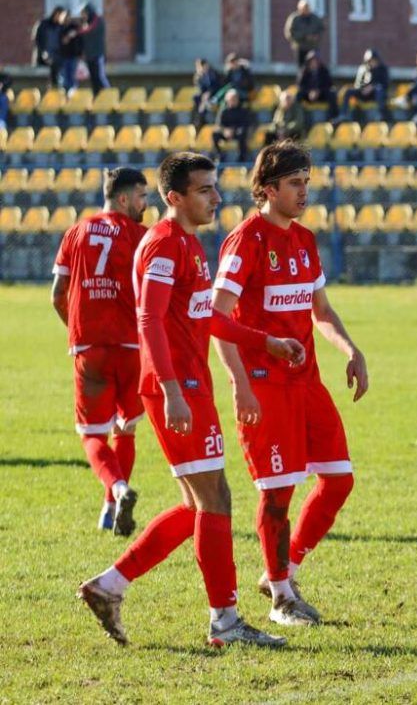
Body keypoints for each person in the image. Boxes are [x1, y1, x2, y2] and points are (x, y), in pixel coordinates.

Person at [77, 152, 303, 648]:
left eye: (215, 187)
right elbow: (149, 321)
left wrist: (264, 341)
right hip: (178, 389)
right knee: (215, 499)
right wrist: (174, 391)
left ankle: (109, 586)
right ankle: (224, 621)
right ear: (173, 197)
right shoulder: (162, 246)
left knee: (194, 504)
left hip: (188, 386)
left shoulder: (190, 245)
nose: (216, 197)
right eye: (205, 190)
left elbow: (206, 317)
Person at [212, 140, 369, 625]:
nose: (305, 192)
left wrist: (350, 349)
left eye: (307, 182)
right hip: (266, 386)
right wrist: (240, 383)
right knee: (277, 492)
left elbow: (319, 310)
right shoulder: (246, 240)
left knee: (338, 479)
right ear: (267, 188)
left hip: (307, 384)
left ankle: (284, 569)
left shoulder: (304, 240)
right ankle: (281, 595)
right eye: (296, 184)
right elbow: (216, 319)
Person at [51, 168, 149, 536]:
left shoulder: (75, 232)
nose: (145, 204)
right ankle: (110, 507)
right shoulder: (142, 236)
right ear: (123, 198)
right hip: (132, 348)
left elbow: (57, 294)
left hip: (89, 348)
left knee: (92, 434)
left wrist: (77, 330)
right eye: (141, 196)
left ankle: (118, 490)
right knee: (126, 431)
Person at [340, 49, 389, 121]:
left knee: (379, 90)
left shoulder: (383, 69)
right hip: (364, 93)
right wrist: (363, 89)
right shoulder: (364, 69)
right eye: (369, 61)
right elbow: (358, 84)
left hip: (376, 94)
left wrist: (373, 86)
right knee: (349, 91)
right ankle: (344, 114)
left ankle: (380, 114)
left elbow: (385, 84)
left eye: (373, 60)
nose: (371, 63)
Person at [212, 90, 253, 163]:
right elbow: (218, 125)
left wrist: (234, 130)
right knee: (215, 134)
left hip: (237, 133)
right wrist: (224, 131)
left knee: (242, 133)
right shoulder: (223, 111)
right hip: (226, 133)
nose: (233, 101)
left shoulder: (243, 111)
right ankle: (219, 155)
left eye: (235, 99)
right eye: (231, 99)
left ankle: (242, 156)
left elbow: (245, 124)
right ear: (227, 100)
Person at [76, 4, 110, 90]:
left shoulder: (98, 21)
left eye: (84, 13)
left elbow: (89, 30)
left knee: (100, 77)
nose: (83, 16)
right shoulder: (85, 23)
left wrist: (78, 32)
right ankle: (97, 97)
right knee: (94, 79)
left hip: (97, 54)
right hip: (89, 55)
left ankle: (108, 94)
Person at [32, 6, 66, 89]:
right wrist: (43, 52)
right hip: (43, 55)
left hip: (56, 57)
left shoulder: (61, 27)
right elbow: (37, 39)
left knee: (58, 70)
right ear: (57, 14)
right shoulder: (43, 24)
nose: (63, 18)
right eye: (62, 15)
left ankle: (56, 87)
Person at [284, 0, 325, 66]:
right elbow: (289, 34)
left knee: (314, 67)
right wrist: (304, 37)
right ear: (300, 8)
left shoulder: (314, 18)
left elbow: (321, 29)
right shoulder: (295, 19)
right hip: (300, 48)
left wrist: (316, 37)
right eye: (304, 8)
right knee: (302, 68)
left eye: (307, 8)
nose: (306, 10)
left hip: (312, 47)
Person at [295, 51, 336, 117]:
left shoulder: (324, 70)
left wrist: (319, 92)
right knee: (298, 95)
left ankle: (333, 117)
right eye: (312, 61)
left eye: (316, 61)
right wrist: (309, 92)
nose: (314, 63)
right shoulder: (304, 71)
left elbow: (329, 84)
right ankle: (299, 117)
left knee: (332, 94)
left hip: (321, 94)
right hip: (308, 95)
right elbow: (300, 85)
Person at [58, 13, 84, 92]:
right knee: (64, 78)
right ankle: (65, 95)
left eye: (68, 17)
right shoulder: (60, 29)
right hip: (63, 57)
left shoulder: (75, 28)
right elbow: (62, 42)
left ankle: (72, 95)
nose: (67, 19)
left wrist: (80, 54)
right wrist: (69, 36)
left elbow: (80, 42)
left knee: (73, 78)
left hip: (74, 56)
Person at [193, 58, 223, 125]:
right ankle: (200, 119)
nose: (199, 68)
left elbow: (217, 86)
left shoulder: (213, 74)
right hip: (204, 96)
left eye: (200, 66)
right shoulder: (199, 76)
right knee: (196, 98)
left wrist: (209, 93)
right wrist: (198, 78)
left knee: (206, 102)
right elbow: (201, 89)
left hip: (215, 95)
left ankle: (202, 120)